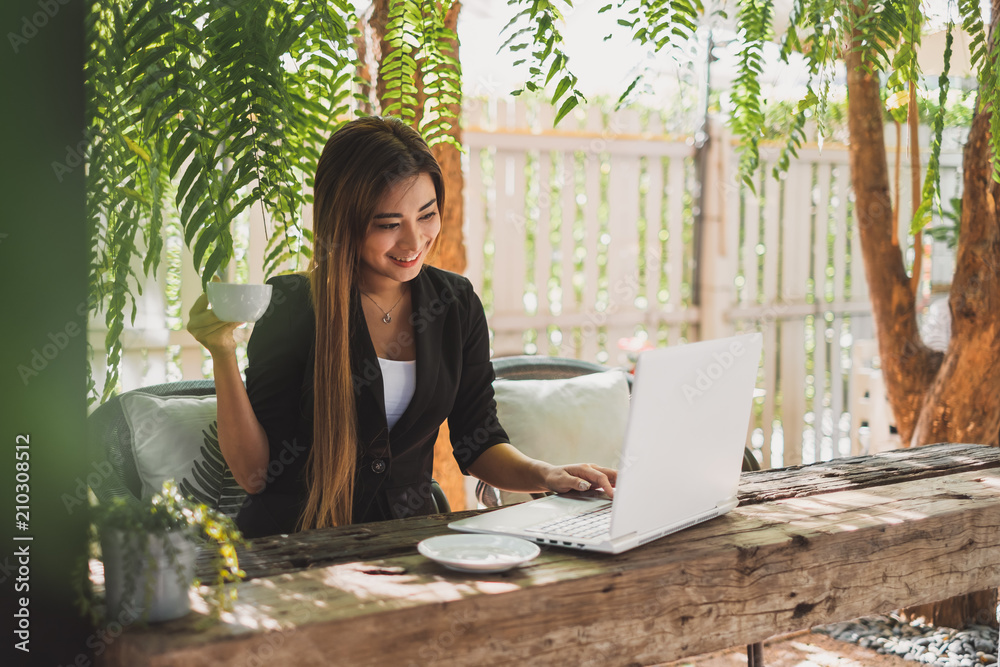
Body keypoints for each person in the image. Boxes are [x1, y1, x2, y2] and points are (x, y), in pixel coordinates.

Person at [187, 116, 617, 538]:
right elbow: (255, 475)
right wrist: (221, 351)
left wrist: (548, 474)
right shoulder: (293, 306)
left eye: (427, 215)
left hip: (409, 540)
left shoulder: (455, 303)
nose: (414, 242)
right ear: (343, 222)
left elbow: (478, 441)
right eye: (389, 225)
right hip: (296, 544)